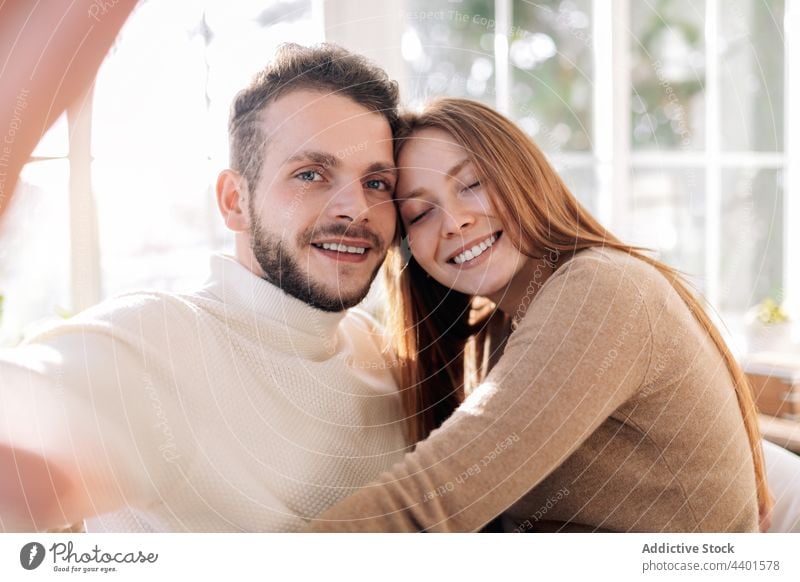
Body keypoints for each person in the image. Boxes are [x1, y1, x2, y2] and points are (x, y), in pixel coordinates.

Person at [308, 97, 772, 532]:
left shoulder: (600, 289)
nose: (454, 222)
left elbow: (432, 499)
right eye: (420, 213)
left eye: (472, 184)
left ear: (524, 176)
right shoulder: (500, 329)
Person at [0, 43, 409, 532]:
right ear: (235, 201)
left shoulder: (378, 348)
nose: (355, 208)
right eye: (310, 174)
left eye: (377, 183)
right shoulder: (150, 343)